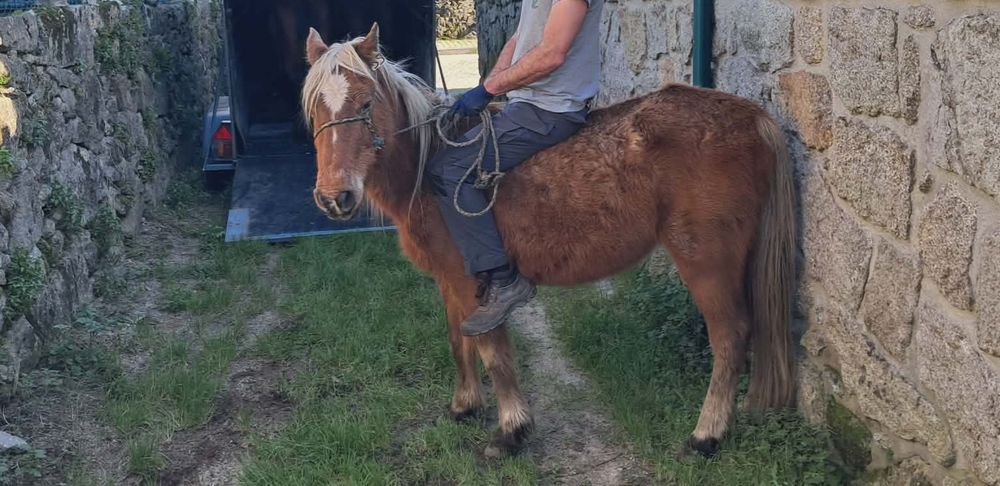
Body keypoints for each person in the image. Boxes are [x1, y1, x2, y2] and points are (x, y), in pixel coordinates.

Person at [426, 0, 605, 336]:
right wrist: (489, 85)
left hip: (550, 112)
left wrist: (489, 90)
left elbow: (552, 53)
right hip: (525, 105)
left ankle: (503, 279)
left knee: (448, 172)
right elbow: (520, 39)